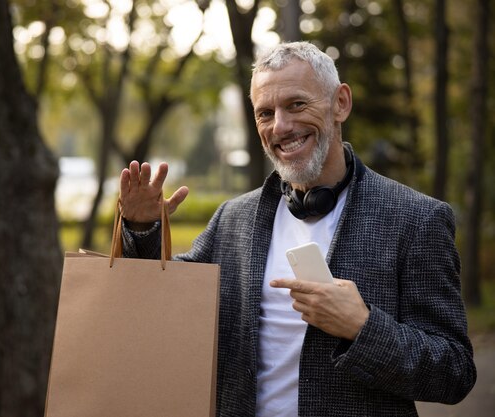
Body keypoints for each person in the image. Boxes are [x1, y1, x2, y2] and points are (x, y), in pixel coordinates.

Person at [117, 41, 476, 417]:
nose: (281, 127)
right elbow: (163, 302)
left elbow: (454, 372)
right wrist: (142, 227)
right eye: (265, 113)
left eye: (296, 105)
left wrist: (363, 327)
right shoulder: (232, 219)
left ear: (341, 103)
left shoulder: (417, 219)